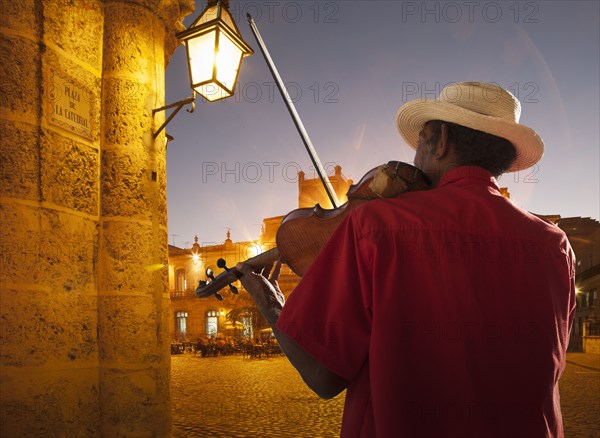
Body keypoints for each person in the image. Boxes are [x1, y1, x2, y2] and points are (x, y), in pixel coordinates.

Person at [236, 82, 575, 437]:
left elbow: (323, 376)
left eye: (421, 144)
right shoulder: (555, 246)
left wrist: (270, 304)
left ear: (441, 140)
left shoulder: (376, 226)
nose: (412, 162)